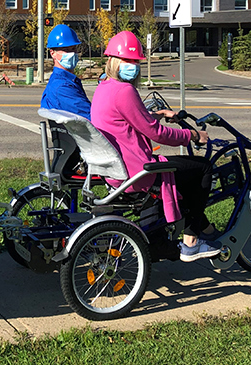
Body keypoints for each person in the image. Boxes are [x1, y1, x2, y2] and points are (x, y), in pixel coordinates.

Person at [90, 30, 219, 262]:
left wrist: (155, 115)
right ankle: (191, 241)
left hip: (116, 171)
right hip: (138, 172)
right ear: (114, 61)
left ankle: (206, 230)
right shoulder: (125, 90)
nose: (133, 66)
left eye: (136, 61)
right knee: (203, 168)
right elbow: (155, 134)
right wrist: (191, 135)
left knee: (185, 172)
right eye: (127, 61)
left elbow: (133, 120)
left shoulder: (104, 88)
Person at [40, 24, 91, 119]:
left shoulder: (64, 81)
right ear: (53, 53)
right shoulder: (63, 87)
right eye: (66, 50)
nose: (72, 54)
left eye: (73, 49)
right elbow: (92, 117)